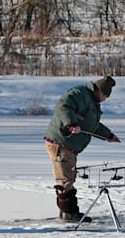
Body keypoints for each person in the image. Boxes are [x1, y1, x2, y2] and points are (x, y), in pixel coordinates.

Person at [44, 76, 120, 222]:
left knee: (68, 177)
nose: (105, 99)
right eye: (105, 96)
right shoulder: (80, 94)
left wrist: (109, 135)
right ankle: (69, 214)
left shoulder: (92, 101)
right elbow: (63, 106)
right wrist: (71, 124)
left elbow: (92, 126)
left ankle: (66, 212)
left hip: (68, 146)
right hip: (61, 142)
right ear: (100, 91)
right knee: (65, 179)